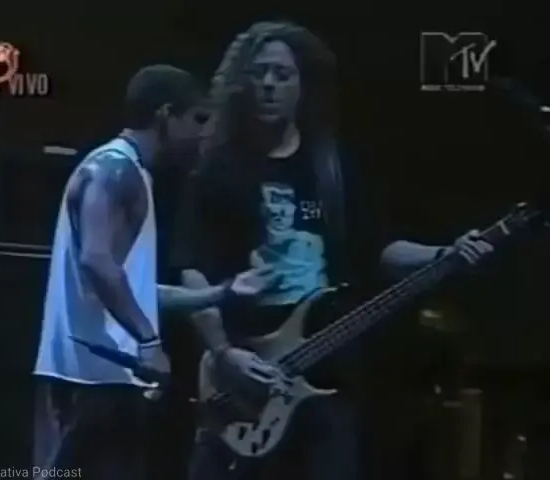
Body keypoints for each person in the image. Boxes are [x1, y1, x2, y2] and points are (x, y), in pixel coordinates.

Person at [173, 22, 494, 480]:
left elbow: (379, 249)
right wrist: (224, 352)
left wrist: (446, 253)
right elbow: (192, 271)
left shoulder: (331, 166)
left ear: (303, 85)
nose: (269, 84)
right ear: (241, 84)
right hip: (248, 376)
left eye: (282, 74)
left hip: (328, 373)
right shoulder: (217, 170)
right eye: (259, 73)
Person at [32, 64, 278, 480]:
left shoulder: (127, 172)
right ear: (165, 115)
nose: (203, 133)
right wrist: (149, 341)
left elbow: (129, 287)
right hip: (92, 380)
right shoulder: (116, 170)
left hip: (103, 381)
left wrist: (220, 293)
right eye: (197, 119)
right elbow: (96, 261)